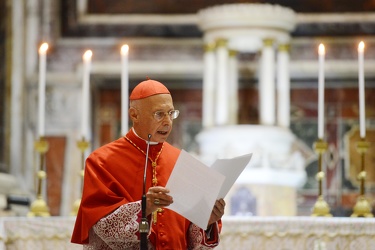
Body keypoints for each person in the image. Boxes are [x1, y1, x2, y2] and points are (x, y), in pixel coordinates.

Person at [71, 79, 226, 249]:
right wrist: (144, 208)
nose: (167, 122)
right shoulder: (101, 161)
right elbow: (101, 226)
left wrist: (207, 221)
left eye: (171, 113)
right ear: (134, 114)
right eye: (159, 114)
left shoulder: (182, 161)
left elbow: (188, 235)